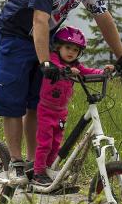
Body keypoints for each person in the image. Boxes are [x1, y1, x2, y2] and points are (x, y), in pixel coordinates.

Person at [0, 0, 122, 183]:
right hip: (14, 35)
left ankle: (35, 165)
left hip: (43, 38)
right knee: (13, 100)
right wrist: (45, 60)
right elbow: (39, 19)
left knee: (37, 102)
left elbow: (103, 17)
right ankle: (15, 161)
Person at [32, 26, 113, 186]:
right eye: (68, 47)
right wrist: (68, 70)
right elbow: (58, 67)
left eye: (75, 50)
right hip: (46, 110)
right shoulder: (53, 60)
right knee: (45, 143)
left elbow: (88, 71)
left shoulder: (77, 66)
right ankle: (38, 172)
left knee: (56, 144)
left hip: (61, 112)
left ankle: (49, 169)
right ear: (58, 47)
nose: (71, 52)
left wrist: (104, 72)